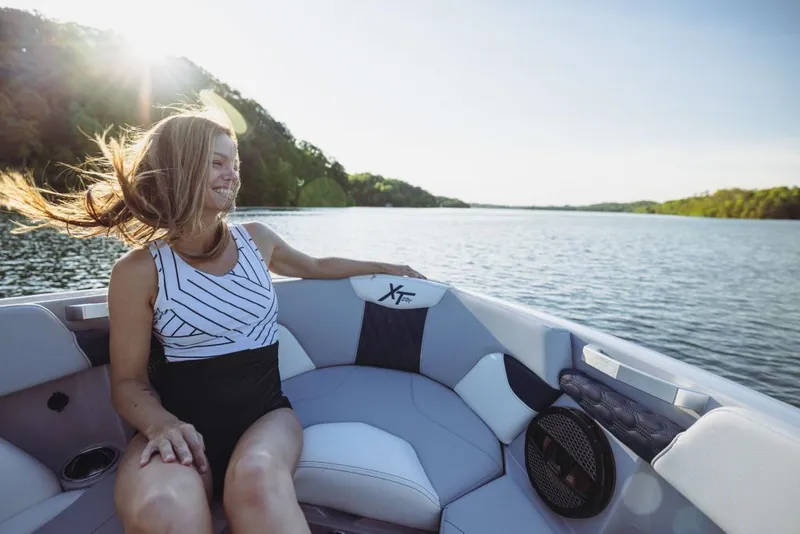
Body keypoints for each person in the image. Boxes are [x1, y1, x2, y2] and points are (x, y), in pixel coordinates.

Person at [0, 105, 424, 534]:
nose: (233, 174)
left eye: (234, 164)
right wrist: (162, 425)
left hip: (265, 418)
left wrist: (387, 268)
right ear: (177, 171)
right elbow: (128, 383)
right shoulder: (138, 271)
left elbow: (314, 265)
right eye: (217, 163)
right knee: (165, 507)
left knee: (257, 485)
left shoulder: (257, 240)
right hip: (176, 423)